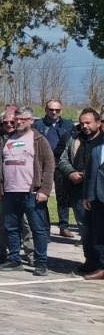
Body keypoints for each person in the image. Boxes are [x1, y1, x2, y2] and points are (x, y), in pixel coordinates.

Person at [0, 107, 55, 276]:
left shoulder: (39, 140)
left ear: (31, 121)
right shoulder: (7, 139)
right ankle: (14, 259)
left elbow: (49, 165)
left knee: (37, 229)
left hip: (31, 193)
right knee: (11, 227)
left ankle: (41, 262)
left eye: (22, 119)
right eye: (16, 119)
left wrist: (45, 189)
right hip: (9, 192)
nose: (18, 122)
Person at [64, 108, 104, 279]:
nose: (85, 126)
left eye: (88, 122)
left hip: (99, 193)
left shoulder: (101, 142)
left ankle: (101, 265)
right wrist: (71, 172)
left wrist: (86, 175)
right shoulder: (75, 139)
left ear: (98, 123)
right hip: (83, 193)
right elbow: (63, 159)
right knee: (87, 230)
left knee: (100, 231)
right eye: (82, 123)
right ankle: (92, 262)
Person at [38, 101, 77, 239]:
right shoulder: (38, 125)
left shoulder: (68, 125)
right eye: (51, 109)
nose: (54, 112)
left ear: (61, 110)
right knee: (42, 195)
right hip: (43, 165)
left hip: (61, 164)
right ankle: (44, 226)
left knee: (63, 196)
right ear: (46, 110)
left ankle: (63, 226)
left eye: (57, 110)